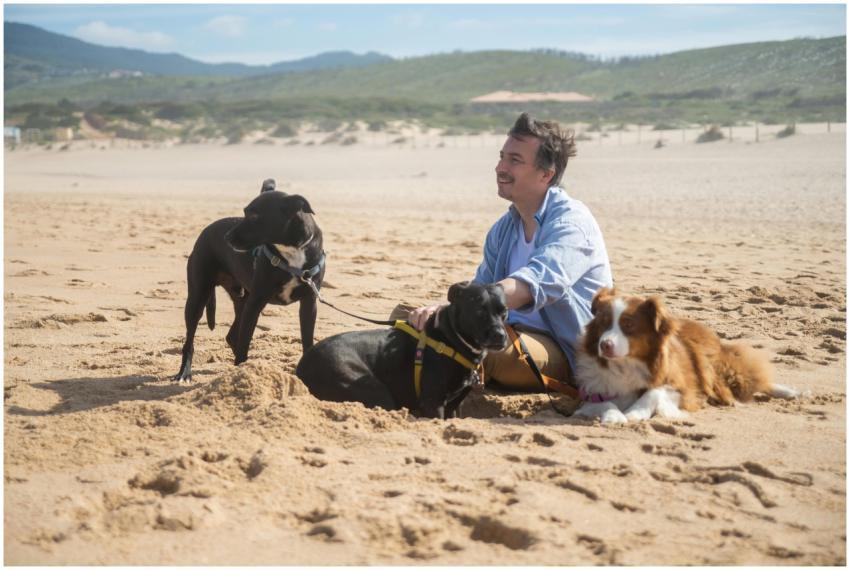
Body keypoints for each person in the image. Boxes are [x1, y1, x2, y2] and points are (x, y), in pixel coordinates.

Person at [406, 112, 613, 392]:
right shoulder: (504, 228)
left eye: (514, 160)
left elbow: (534, 283)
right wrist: (439, 312)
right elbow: (482, 287)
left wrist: (456, 312)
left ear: (545, 174)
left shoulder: (571, 222)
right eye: (502, 157)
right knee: (411, 317)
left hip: (566, 348)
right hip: (506, 332)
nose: (500, 167)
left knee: (472, 347)